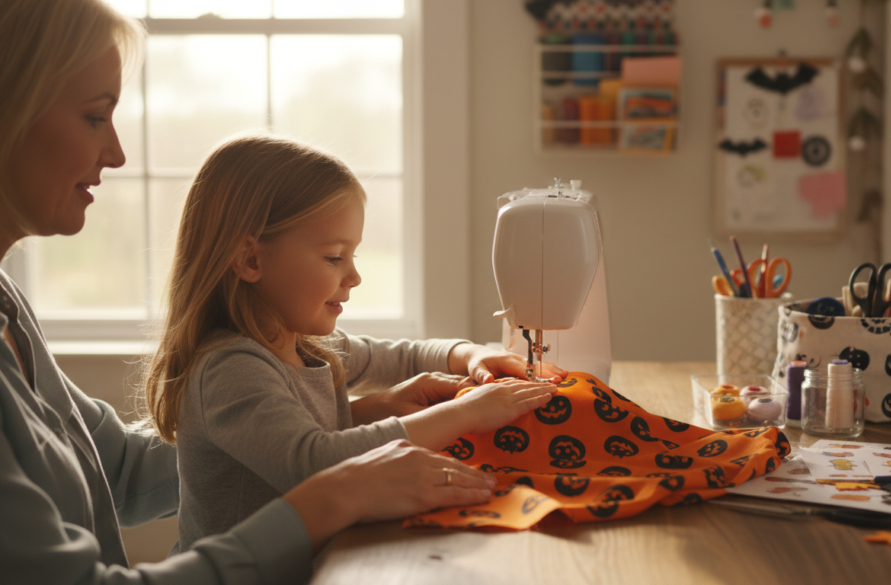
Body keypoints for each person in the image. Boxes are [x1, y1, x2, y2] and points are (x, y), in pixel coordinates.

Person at [0, 0, 557, 582]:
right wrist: (334, 482)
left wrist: (352, 415)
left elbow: (120, 471)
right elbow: (298, 459)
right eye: (95, 116)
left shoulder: (9, 308)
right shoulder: (231, 363)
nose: (117, 153)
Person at [146, 133, 562, 551]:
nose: (354, 277)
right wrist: (467, 413)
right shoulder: (230, 368)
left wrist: (470, 354)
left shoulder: (306, 346)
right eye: (334, 257)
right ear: (250, 259)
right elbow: (318, 464)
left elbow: (404, 357)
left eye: (353, 256)